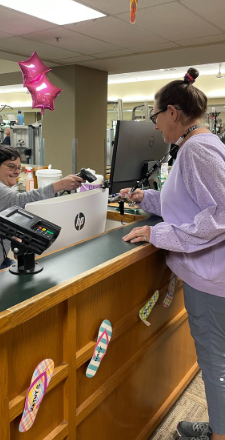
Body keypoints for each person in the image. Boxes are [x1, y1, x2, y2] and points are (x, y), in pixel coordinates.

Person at [121, 68, 225, 440]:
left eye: (154, 117)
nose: (154, 127)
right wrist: (145, 198)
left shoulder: (197, 149)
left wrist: (156, 232)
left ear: (172, 112)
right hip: (211, 275)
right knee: (216, 358)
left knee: (215, 362)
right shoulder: (197, 145)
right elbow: (190, 203)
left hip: (213, 279)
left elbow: (220, 214)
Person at [0, 145, 84, 272]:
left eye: (18, 167)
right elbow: (19, 202)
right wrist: (59, 185)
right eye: (11, 166)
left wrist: (15, 239)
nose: (17, 172)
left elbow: (0, 219)